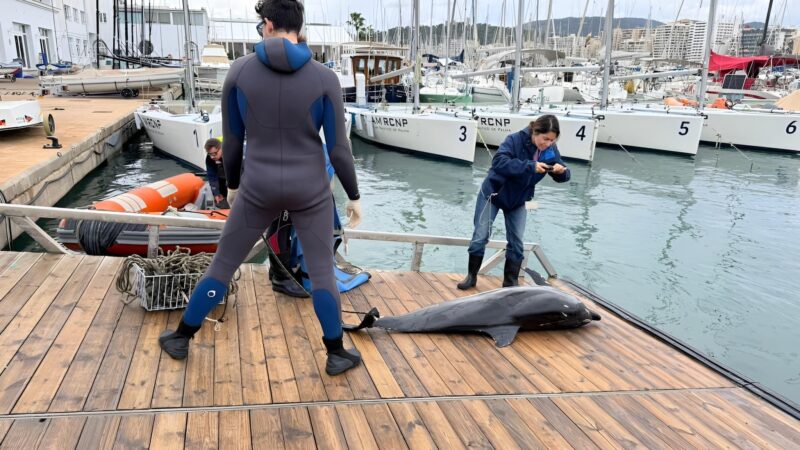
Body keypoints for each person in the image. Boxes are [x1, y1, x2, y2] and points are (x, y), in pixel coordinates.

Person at [159, 0, 364, 376]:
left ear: (267, 24)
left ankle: (181, 337)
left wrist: (233, 185)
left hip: (257, 186)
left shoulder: (239, 71)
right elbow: (338, 147)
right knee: (321, 271)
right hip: (310, 189)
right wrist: (353, 195)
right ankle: (336, 353)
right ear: (298, 27)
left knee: (223, 265)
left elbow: (232, 142)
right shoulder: (324, 78)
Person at [457, 115, 569, 290]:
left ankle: (510, 284)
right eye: (545, 138)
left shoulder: (550, 150)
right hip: (493, 194)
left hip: (518, 200)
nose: (548, 143)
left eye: (552, 140)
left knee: (517, 242)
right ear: (535, 131)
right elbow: (499, 162)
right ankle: (471, 276)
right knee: (480, 236)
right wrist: (530, 166)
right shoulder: (514, 140)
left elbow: (565, 175)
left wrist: (560, 171)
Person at [204, 138, 228, 207]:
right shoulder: (210, 158)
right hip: (222, 177)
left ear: (221, 148)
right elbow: (212, 176)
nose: (212, 157)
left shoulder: (231, 154)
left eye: (214, 153)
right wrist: (216, 193)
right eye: (209, 154)